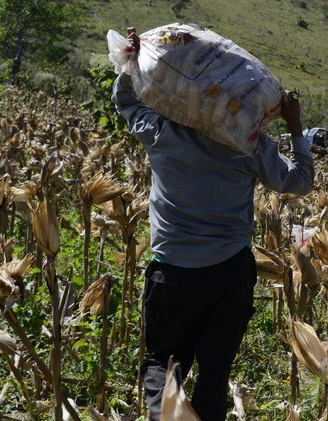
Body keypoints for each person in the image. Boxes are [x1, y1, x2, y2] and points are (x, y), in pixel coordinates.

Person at [112, 28, 314, 421]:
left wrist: (131, 60)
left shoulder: (161, 132)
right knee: (215, 376)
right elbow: (301, 181)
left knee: (162, 366)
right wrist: (294, 125)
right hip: (230, 276)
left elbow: (126, 100)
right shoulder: (247, 144)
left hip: (173, 274)